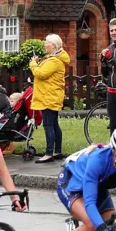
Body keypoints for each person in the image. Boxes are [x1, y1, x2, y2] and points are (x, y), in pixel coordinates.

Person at [30, 33, 70, 163]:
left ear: (53, 45)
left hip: (49, 97)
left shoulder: (54, 61)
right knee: (54, 124)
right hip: (51, 95)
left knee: (48, 125)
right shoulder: (53, 58)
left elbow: (40, 74)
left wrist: (33, 64)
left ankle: (49, 153)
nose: (44, 44)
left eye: (46, 42)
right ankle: (57, 151)